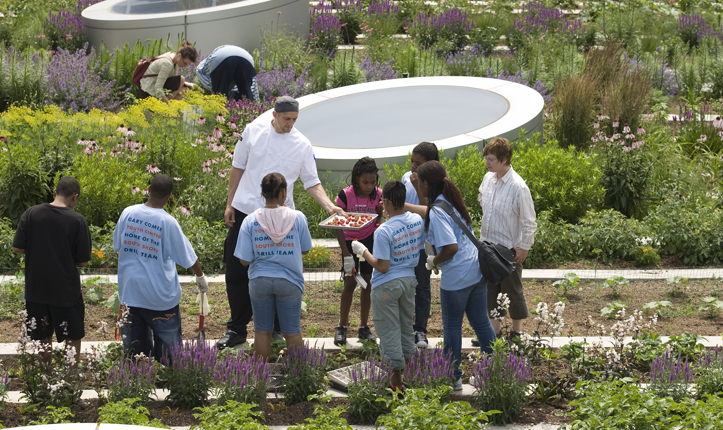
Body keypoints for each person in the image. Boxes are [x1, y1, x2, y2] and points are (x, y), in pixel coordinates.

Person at [219, 95, 344, 350]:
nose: (290, 124)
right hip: (246, 212)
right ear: (274, 115)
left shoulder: (301, 144)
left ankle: (274, 329)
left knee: (279, 269)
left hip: (283, 217)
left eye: (295, 120)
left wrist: (329, 206)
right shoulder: (253, 130)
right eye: (287, 119)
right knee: (235, 270)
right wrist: (230, 203)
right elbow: (238, 166)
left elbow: (312, 181)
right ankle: (237, 329)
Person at [407, 160, 496, 391]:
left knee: (452, 326)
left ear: (427, 184)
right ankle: (495, 372)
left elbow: (451, 248)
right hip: (477, 270)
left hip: (457, 277)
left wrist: (433, 261)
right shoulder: (451, 200)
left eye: (420, 182)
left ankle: (453, 377)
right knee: (482, 323)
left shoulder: (437, 210)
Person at [113, 174, 209, 362]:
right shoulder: (167, 222)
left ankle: (139, 384)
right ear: (168, 197)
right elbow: (188, 256)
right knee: (170, 354)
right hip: (160, 297)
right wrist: (200, 276)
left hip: (131, 294)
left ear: (148, 189)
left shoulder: (128, 213)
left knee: (136, 353)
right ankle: (169, 381)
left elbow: (118, 245)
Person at [12, 176, 91, 369]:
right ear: (75, 197)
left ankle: (45, 374)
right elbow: (82, 261)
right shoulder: (78, 221)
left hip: (37, 287)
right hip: (66, 289)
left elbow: (17, 248)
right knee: (73, 334)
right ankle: (70, 378)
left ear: (55, 193)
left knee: (42, 334)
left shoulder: (31, 214)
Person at [351, 180, 423, 391]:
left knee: (390, 331)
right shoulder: (416, 220)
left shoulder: (383, 231)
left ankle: (396, 382)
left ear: (389, 202)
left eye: (383, 200)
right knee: (405, 328)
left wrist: (362, 250)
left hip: (387, 287)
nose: (381, 203)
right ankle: (411, 374)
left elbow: (382, 266)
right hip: (409, 282)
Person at [235, 173, 312, 360]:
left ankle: (262, 378)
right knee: (292, 332)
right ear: (284, 192)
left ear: (263, 193)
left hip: (259, 281)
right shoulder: (298, 218)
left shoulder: (250, 221)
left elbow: (243, 261)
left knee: (262, 332)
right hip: (290, 282)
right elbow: (305, 250)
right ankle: (299, 376)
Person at [477, 137, 537, 341]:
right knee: (491, 290)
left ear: (504, 160)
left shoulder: (518, 187)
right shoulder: (488, 179)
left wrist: (524, 247)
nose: (487, 162)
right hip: (488, 245)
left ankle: (517, 332)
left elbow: (529, 220)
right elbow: (481, 200)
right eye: (486, 157)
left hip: (508, 249)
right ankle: (493, 332)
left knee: (512, 290)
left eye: (491, 158)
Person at [333, 157, 384, 346]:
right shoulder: (346, 195)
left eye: (373, 182)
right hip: (349, 242)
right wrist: (346, 253)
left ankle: (363, 326)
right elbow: (338, 224)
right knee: (350, 283)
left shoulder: (377, 194)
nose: (369, 186)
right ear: (355, 179)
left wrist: (378, 228)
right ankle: (342, 326)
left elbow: (379, 215)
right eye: (365, 182)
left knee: (367, 284)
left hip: (369, 241)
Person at [400, 141, 439, 348]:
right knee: (404, 285)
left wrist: (418, 185)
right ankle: (405, 327)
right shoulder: (406, 177)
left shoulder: (437, 183)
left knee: (422, 287)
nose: (413, 166)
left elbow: (429, 210)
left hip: (423, 242)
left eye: (418, 163)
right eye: (412, 161)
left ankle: (420, 329)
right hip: (405, 240)